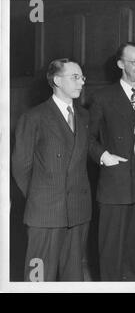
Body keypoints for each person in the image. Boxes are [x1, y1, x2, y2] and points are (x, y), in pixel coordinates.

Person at [11, 58, 92, 281]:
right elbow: (20, 166)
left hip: (77, 211)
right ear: (57, 80)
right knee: (39, 278)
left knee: (73, 276)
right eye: (75, 77)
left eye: (82, 77)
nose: (81, 82)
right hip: (45, 213)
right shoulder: (34, 117)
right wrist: (41, 197)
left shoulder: (84, 116)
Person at [89, 42, 135, 281]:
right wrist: (103, 156)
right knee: (111, 250)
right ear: (120, 64)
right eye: (134, 62)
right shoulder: (102, 97)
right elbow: (86, 138)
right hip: (114, 185)